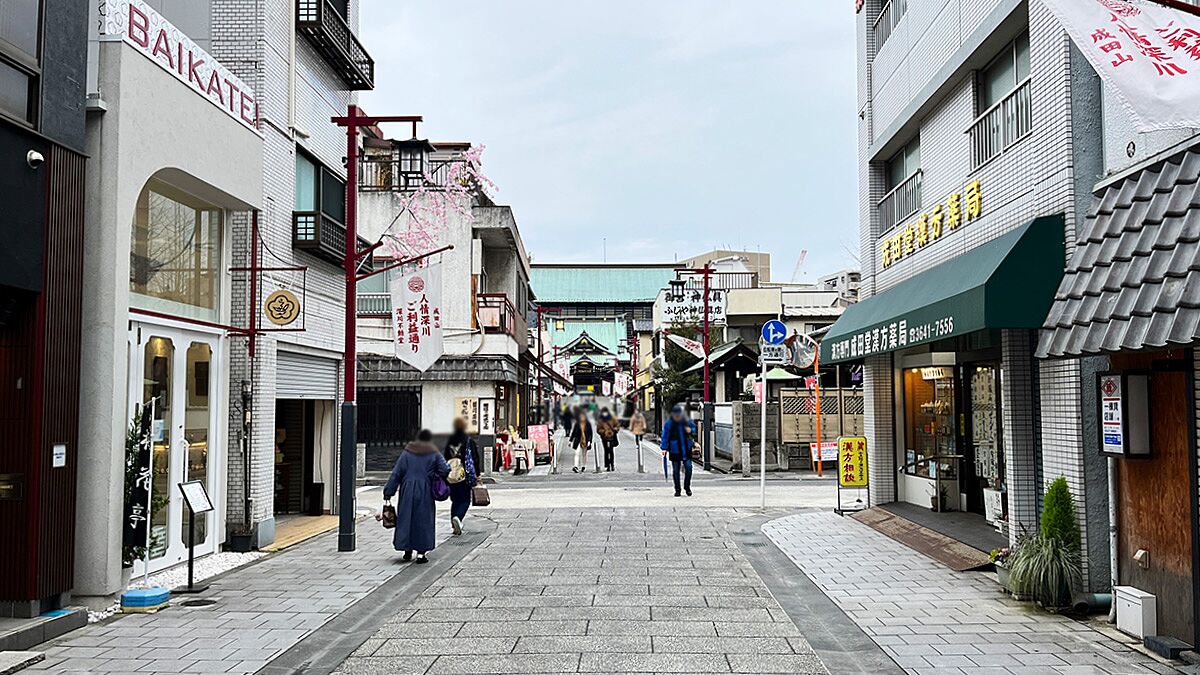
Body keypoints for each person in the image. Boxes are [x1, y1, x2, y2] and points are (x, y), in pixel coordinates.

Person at [383, 429, 450, 563]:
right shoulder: (433, 452)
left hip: (407, 489)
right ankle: (421, 553)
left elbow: (396, 473)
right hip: (425, 489)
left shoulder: (407, 452)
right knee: (423, 520)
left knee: (406, 518)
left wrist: (388, 492)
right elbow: (445, 469)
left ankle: (407, 550)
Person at [443, 417, 478, 536]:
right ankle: (458, 518)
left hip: (451, 475)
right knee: (465, 500)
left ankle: (454, 523)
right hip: (464, 475)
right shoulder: (468, 440)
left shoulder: (450, 441)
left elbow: (445, 458)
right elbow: (474, 458)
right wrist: (477, 474)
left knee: (455, 500)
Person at [660, 405, 696, 497]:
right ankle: (677, 489)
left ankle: (687, 487)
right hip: (674, 449)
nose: (677, 417)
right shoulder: (669, 423)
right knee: (676, 470)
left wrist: (690, 430)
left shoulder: (686, 421)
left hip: (686, 448)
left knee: (689, 467)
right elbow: (665, 435)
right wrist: (664, 448)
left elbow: (693, 429)